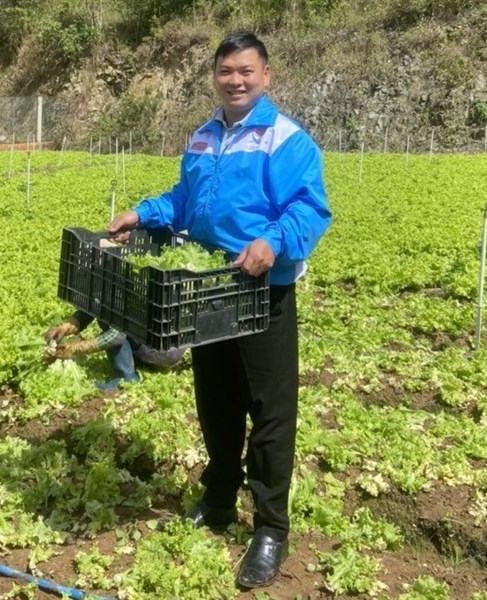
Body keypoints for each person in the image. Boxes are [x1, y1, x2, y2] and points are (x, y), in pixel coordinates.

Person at [108, 32, 332, 588]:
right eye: (226, 71)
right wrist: (145, 212)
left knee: (270, 414)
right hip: (207, 289)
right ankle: (218, 498)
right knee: (216, 401)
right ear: (215, 76)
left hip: (262, 293)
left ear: (266, 75)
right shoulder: (205, 136)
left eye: (246, 71)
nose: (235, 80)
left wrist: (273, 241)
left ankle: (271, 530)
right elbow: (187, 202)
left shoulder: (287, 140)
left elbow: (310, 209)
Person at [44, 309, 186, 390]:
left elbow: (116, 336)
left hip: (162, 350)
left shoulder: (116, 291)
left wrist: (75, 349)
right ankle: (138, 361)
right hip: (170, 344)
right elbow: (89, 310)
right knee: (111, 319)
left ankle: (126, 377)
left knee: (109, 327)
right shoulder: (105, 283)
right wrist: (65, 327)